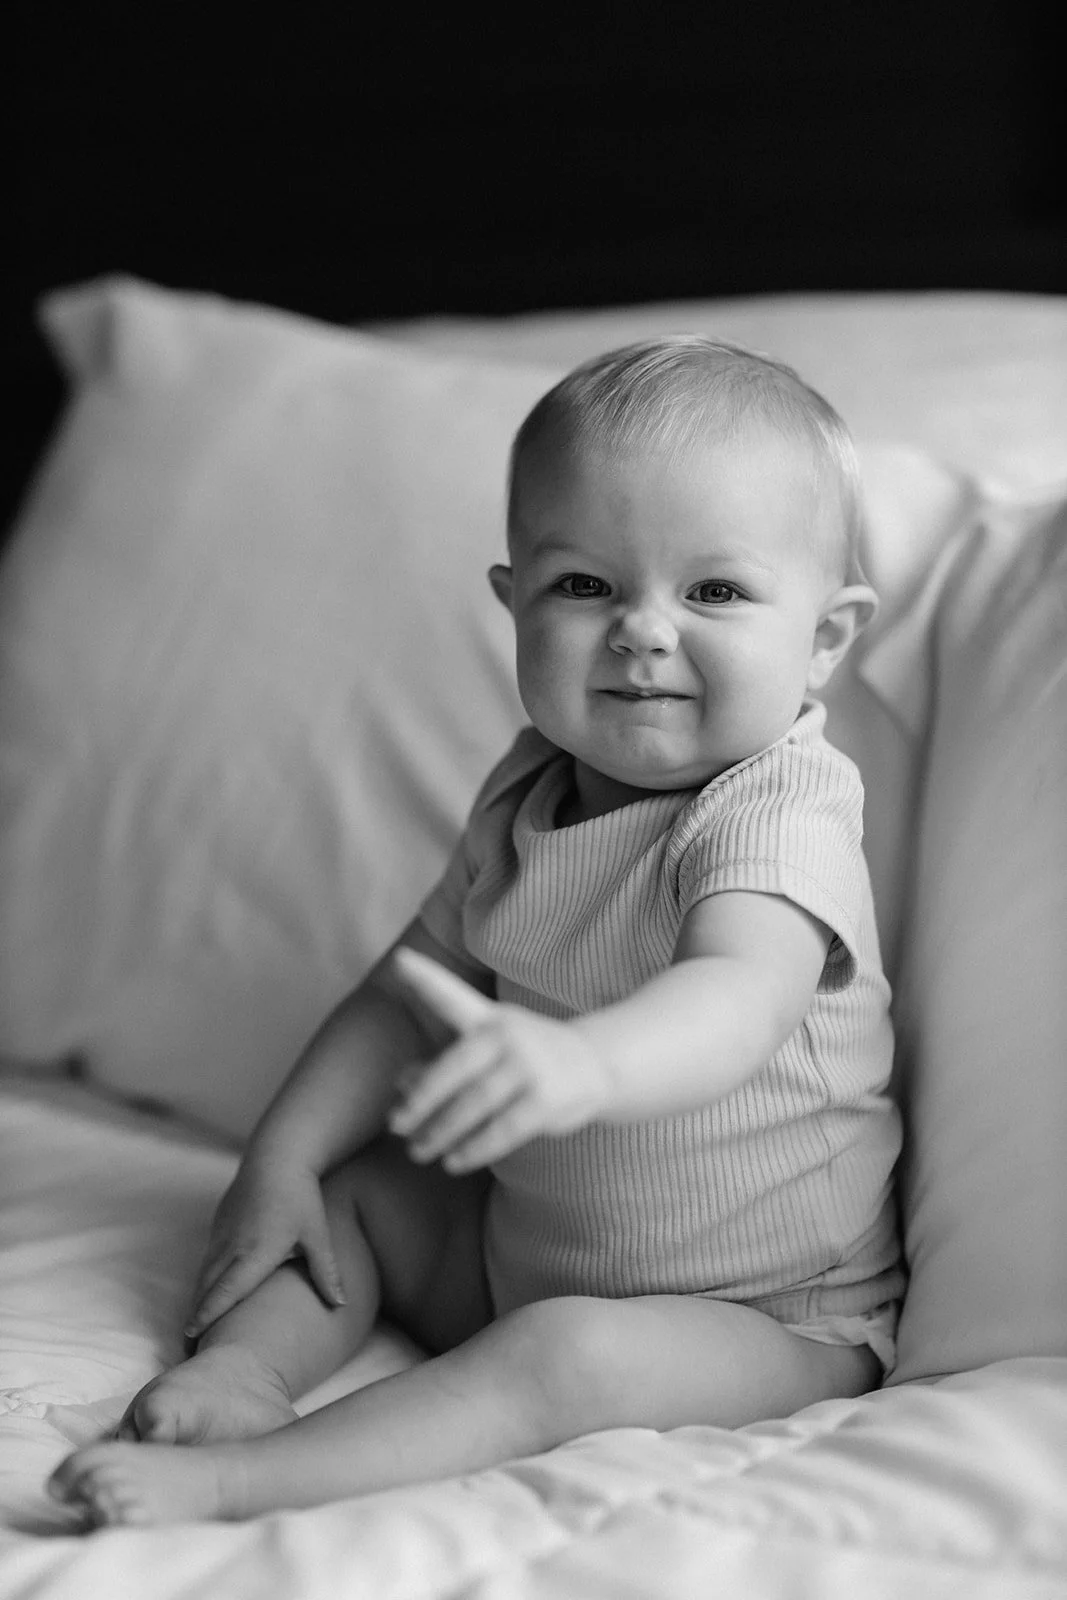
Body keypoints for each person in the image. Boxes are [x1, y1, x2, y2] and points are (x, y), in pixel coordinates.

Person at [49, 335, 905, 1528]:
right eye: (584, 586)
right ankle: (246, 1375)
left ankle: (245, 1480)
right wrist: (281, 1159)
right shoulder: (528, 786)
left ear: (823, 634)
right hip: (520, 1242)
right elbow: (407, 992)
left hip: (766, 1314)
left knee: (568, 1356)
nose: (642, 631)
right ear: (513, 605)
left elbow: (738, 996)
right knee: (350, 1198)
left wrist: (583, 1062)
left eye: (711, 590)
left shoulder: (773, 803)